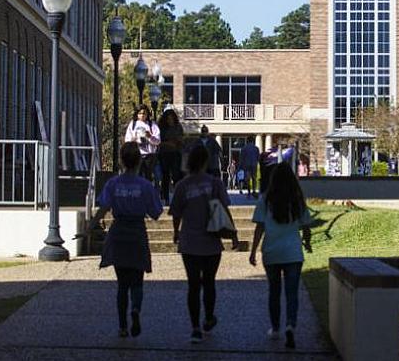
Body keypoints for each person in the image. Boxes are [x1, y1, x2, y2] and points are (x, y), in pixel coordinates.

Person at [89, 142, 163, 338]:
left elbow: (103, 208)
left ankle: (122, 326)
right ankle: (136, 309)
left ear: (121, 160)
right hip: (137, 231)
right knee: (137, 280)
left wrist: (90, 227)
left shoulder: (113, 184)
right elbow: (155, 212)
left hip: (119, 230)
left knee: (122, 283)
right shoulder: (145, 186)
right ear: (139, 161)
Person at [170, 144, 240, 343]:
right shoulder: (215, 183)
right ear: (206, 161)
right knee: (209, 282)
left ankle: (194, 327)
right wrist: (233, 234)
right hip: (211, 240)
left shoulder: (183, 185)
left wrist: (176, 232)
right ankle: (208, 317)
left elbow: (176, 213)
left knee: (193, 285)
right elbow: (225, 209)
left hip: (190, 240)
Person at [248, 162, 312, 350]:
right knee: (292, 293)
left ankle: (275, 328)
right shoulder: (297, 199)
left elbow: (259, 227)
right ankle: (290, 324)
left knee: (274, 291)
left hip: (271, 251)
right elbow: (306, 226)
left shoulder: (265, 199)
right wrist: (307, 243)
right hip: (293, 252)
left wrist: (253, 251)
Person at [124, 105, 160, 179]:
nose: (142, 115)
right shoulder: (133, 124)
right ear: (137, 114)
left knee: (148, 176)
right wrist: (134, 139)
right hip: (137, 154)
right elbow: (127, 140)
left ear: (147, 114)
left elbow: (158, 141)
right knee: (137, 175)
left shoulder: (152, 125)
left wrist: (150, 137)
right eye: (140, 113)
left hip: (149, 155)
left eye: (144, 113)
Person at [157, 108, 184, 204]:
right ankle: (166, 197)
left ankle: (177, 197)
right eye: (168, 119)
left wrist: (176, 143)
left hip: (176, 154)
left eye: (171, 119)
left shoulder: (178, 127)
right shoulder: (161, 128)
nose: (170, 121)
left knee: (176, 175)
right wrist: (169, 143)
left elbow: (181, 141)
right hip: (164, 154)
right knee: (165, 175)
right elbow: (158, 141)